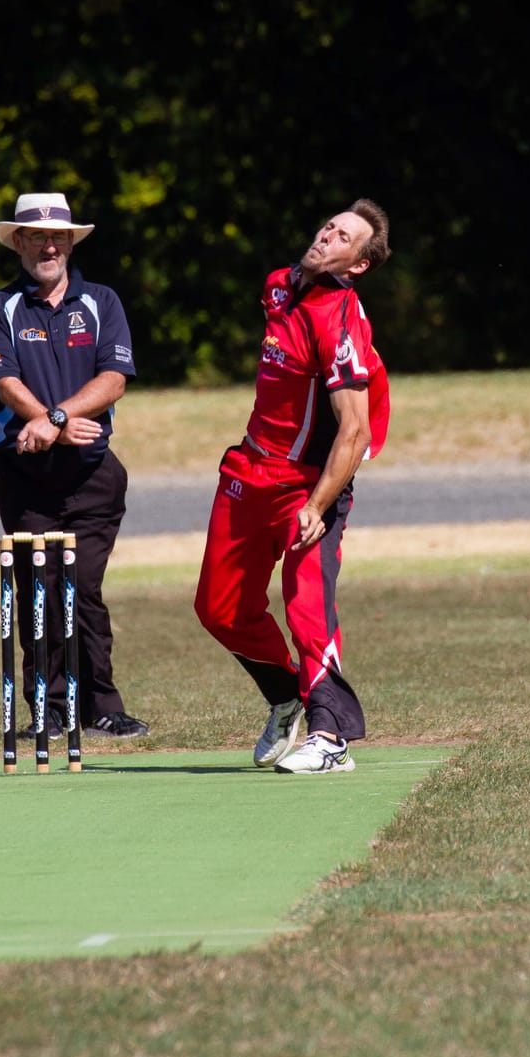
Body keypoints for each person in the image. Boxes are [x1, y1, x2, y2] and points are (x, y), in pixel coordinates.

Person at [194, 199, 393, 774]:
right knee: (219, 609)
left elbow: (354, 430)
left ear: (357, 265)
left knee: (307, 605)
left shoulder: (342, 319)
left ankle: (331, 736)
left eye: (344, 237)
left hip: (308, 486)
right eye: (330, 225)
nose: (329, 234)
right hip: (249, 471)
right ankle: (286, 698)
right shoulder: (279, 286)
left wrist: (317, 505)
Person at [0, 192, 147, 740]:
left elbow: (114, 379)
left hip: (93, 472)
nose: (49, 245)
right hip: (23, 473)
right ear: (18, 242)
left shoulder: (102, 301)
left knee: (84, 586)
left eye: (58, 236)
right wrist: (50, 424)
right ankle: (45, 709)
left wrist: (56, 418)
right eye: (37, 236)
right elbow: (5, 382)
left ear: (70, 242)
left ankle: (102, 704)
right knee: (38, 585)